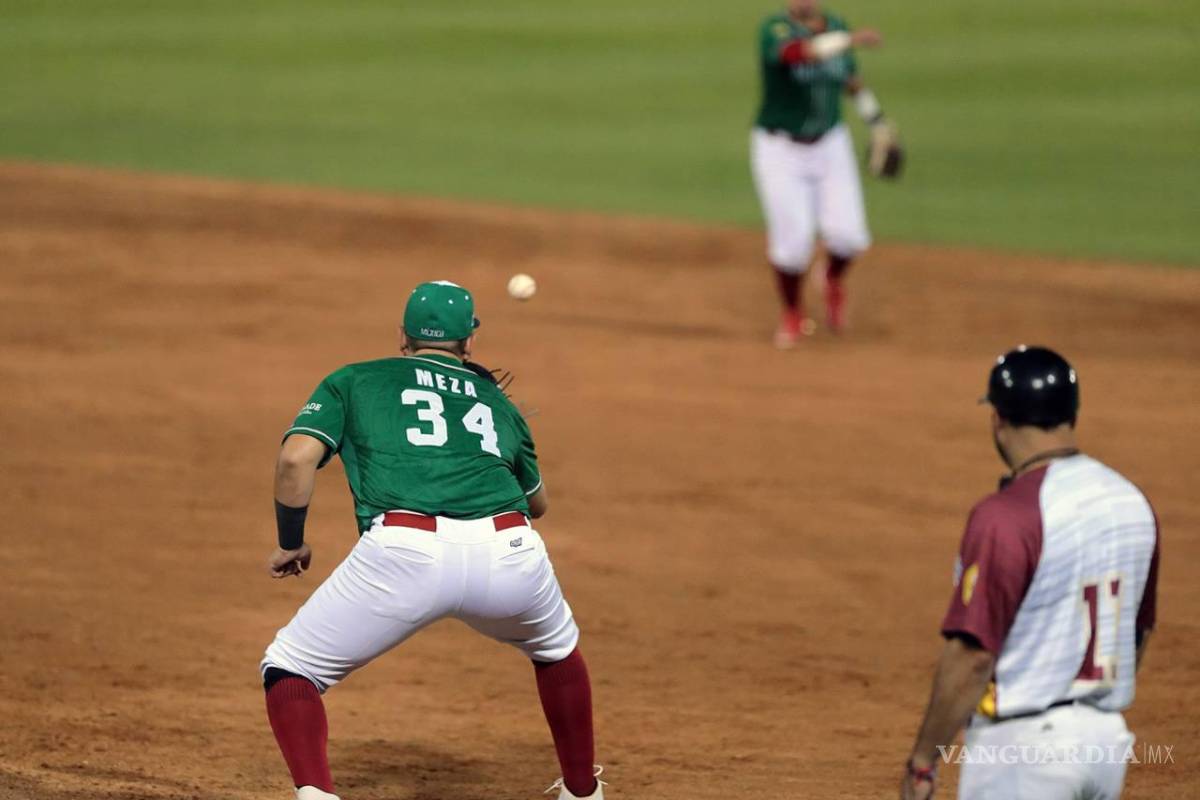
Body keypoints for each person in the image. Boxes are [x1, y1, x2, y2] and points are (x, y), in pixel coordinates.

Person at [260, 281, 603, 800]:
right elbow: (537, 504)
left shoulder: (354, 380)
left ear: (402, 336)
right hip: (510, 554)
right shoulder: (497, 402)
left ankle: (316, 795)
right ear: (468, 344)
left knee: (291, 668)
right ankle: (583, 793)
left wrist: (292, 542)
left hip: (404, 555)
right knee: (558, 652)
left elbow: (295, 459)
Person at [900, 346, 1160, 800]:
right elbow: (1136, 633)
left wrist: (924, 760)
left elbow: (974, 655)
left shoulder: (1006, 516)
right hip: (1106, 744)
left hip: (1022, 754)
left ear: (998, 418)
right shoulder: (1130, 501)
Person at [751, 0, 897, 346]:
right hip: (779, 149)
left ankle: (830, 278)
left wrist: (875, 118)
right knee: (792, 245)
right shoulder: (774, 30)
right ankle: (792, 312)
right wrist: (849, 40)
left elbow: (850, 78)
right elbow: (797, 54)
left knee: (850, 237)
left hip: (831, 143)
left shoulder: (836, 25)